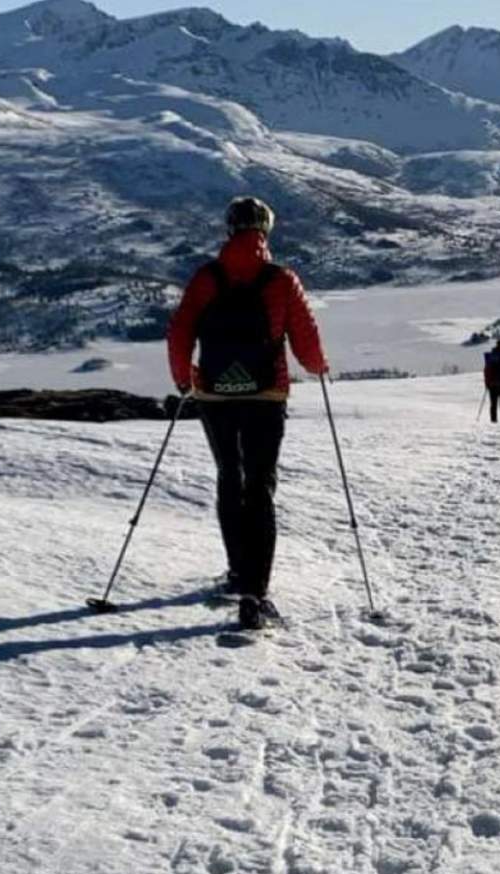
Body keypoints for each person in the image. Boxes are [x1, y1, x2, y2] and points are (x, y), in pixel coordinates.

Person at [167, 196, 329, 632]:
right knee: (259, 485)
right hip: (266, 393)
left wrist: (185, 379)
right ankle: (256, 595)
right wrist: (318, 367)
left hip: (214, 395)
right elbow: (306, 339)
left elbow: (181, 329)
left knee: (228, 475)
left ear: (229, 229)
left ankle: (238, 571)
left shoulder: (206, 278)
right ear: (266, 231)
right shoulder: (281, 279)